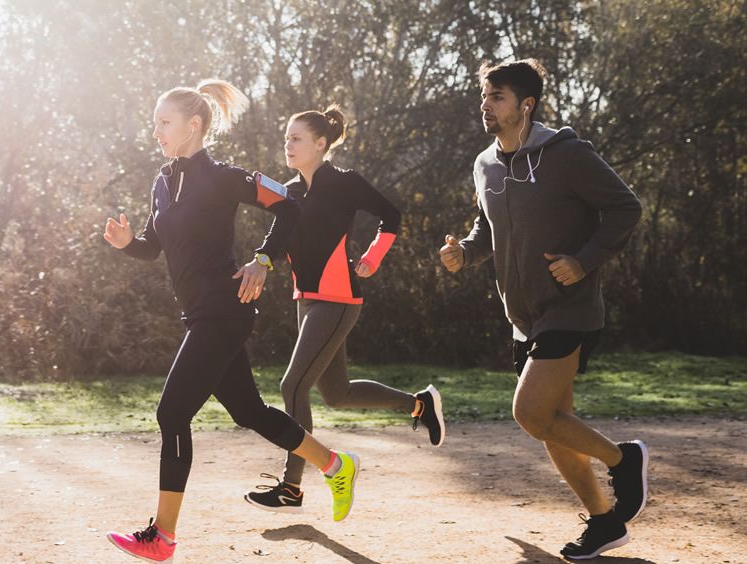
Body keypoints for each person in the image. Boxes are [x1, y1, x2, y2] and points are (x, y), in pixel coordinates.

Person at [102, 80, 361, 563]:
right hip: (199, 314)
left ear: (193, 126)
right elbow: (151, 247)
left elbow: (290, 205)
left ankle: (163, 536)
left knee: (172, 414)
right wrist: (125, 244)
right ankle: (334, 464)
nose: (156, 131)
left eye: (164, 123)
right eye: (156, 122)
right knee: (249, 413)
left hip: (225, 309)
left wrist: (263, 259)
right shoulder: (162, 182)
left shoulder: (222, 177)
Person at [439, 59, 647, 560]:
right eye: (484, 96)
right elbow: (487, 227)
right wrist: (465, 251)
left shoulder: (567, 154)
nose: (486, 106)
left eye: (498, 97)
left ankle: (625, 459)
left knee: (530, 413)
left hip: (570, 306)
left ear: (525, 105)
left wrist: (584, 261)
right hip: (522, 314)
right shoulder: (484, 163)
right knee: (555, 422)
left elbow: (626, 206)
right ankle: (603, 522)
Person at [243, 105, 445, 515]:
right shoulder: (290, 192)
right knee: (336, 393)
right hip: (306, 299)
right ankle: (419, 404)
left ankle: (291, 487)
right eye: (286, 137)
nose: (288, 144)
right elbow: (280, 243)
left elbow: (391, 215)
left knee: (292, 387)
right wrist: (258, 262)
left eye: (296, 138)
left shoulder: (344, 182)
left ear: (321, 144)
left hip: (338, 298)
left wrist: (374, 256)